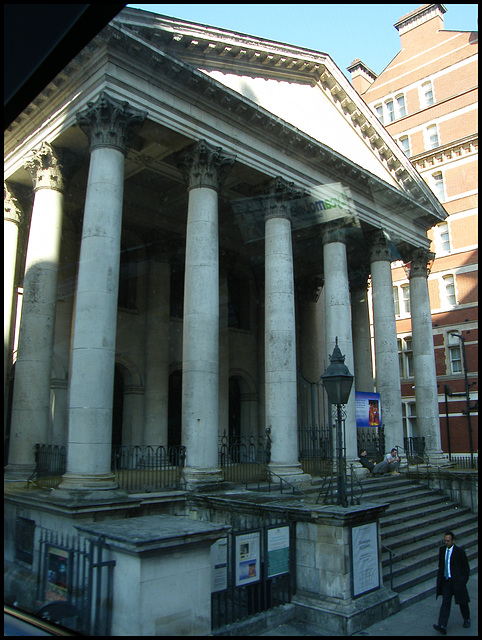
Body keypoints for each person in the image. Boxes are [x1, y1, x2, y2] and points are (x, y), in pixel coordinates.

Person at [433, 531, 471, 634]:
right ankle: (442, 625)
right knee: (445, 602)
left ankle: (466, 618)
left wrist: (463, 581)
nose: (446, 543)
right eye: (445, 540)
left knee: (462, 601)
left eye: (448, 541)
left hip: (457, 581)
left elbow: (466, 568)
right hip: (446, 581)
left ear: (453, 540)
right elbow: (441, 565)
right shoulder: (442, 550)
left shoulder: (460, 552)